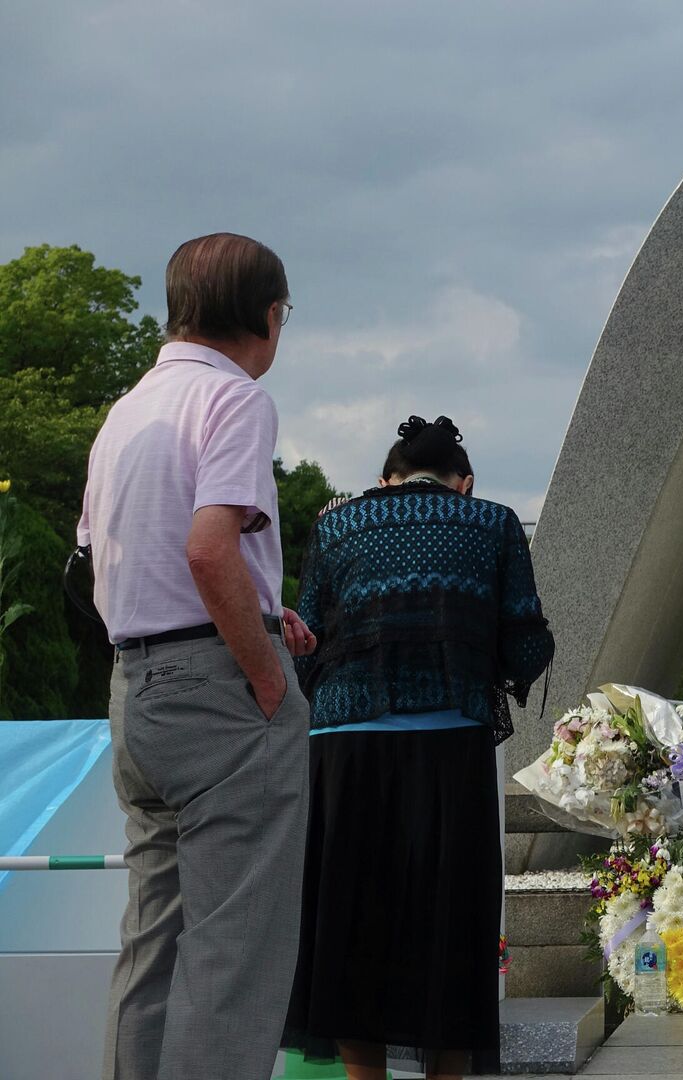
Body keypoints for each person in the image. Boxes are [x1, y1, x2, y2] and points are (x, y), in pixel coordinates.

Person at [82, 233, 316, 1080]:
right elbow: (209, 551)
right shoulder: (235, 401)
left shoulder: (128, 409)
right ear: (266, 314)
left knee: (154, 943)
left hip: (134, 689)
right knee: (233, 958)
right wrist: (263, 672)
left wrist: (258, 608)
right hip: (219, 700)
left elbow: (113, 554)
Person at [283, 416, 554, 1079]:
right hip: (448, 747)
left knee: (354, 927)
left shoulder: (337, 525)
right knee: (449, 926)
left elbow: (307, 637)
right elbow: (526, 644)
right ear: (463, 484)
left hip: (345, 751)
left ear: (387, 480)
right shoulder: (493, 524)